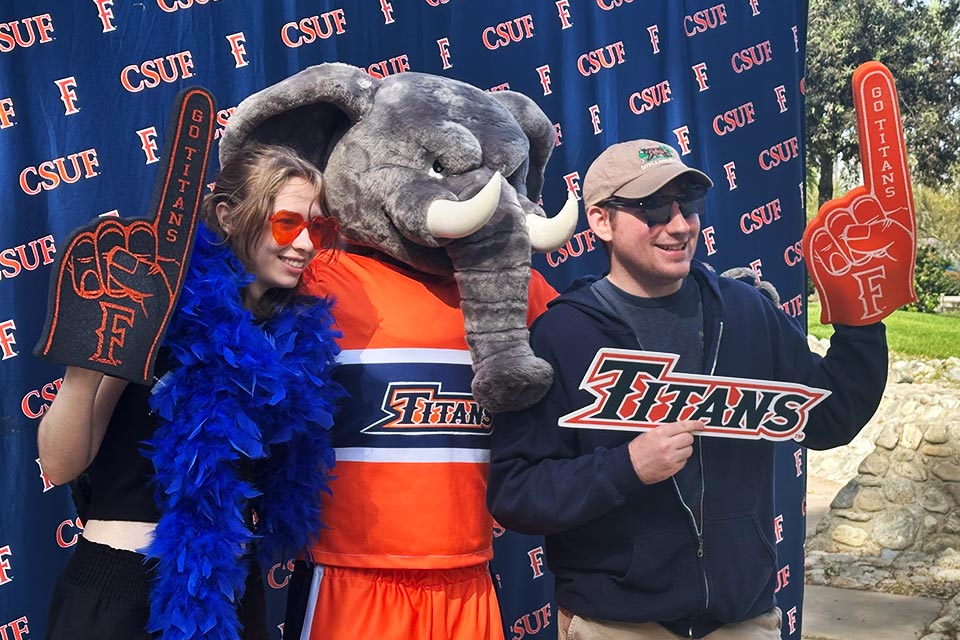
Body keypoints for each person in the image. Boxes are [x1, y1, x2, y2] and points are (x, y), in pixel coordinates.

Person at [487, 139, 888, 639]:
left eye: (688, 205)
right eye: (653, 208)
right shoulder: (563, 335)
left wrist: (862, 315)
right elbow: (516, 492)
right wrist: (626, 467)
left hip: (742, 619)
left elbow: (832, 416)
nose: (679, 225)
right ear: (601, 221)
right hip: (620, 623)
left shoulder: (745, 313)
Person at [37, 144, 344, 640]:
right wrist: (85, 360)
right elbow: (60, 464)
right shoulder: (157, 306)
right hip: (122, 597)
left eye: (320, 229)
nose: (306, 244)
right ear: (227, 215)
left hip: (230, 598)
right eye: (287, 223)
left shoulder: (294, 343)